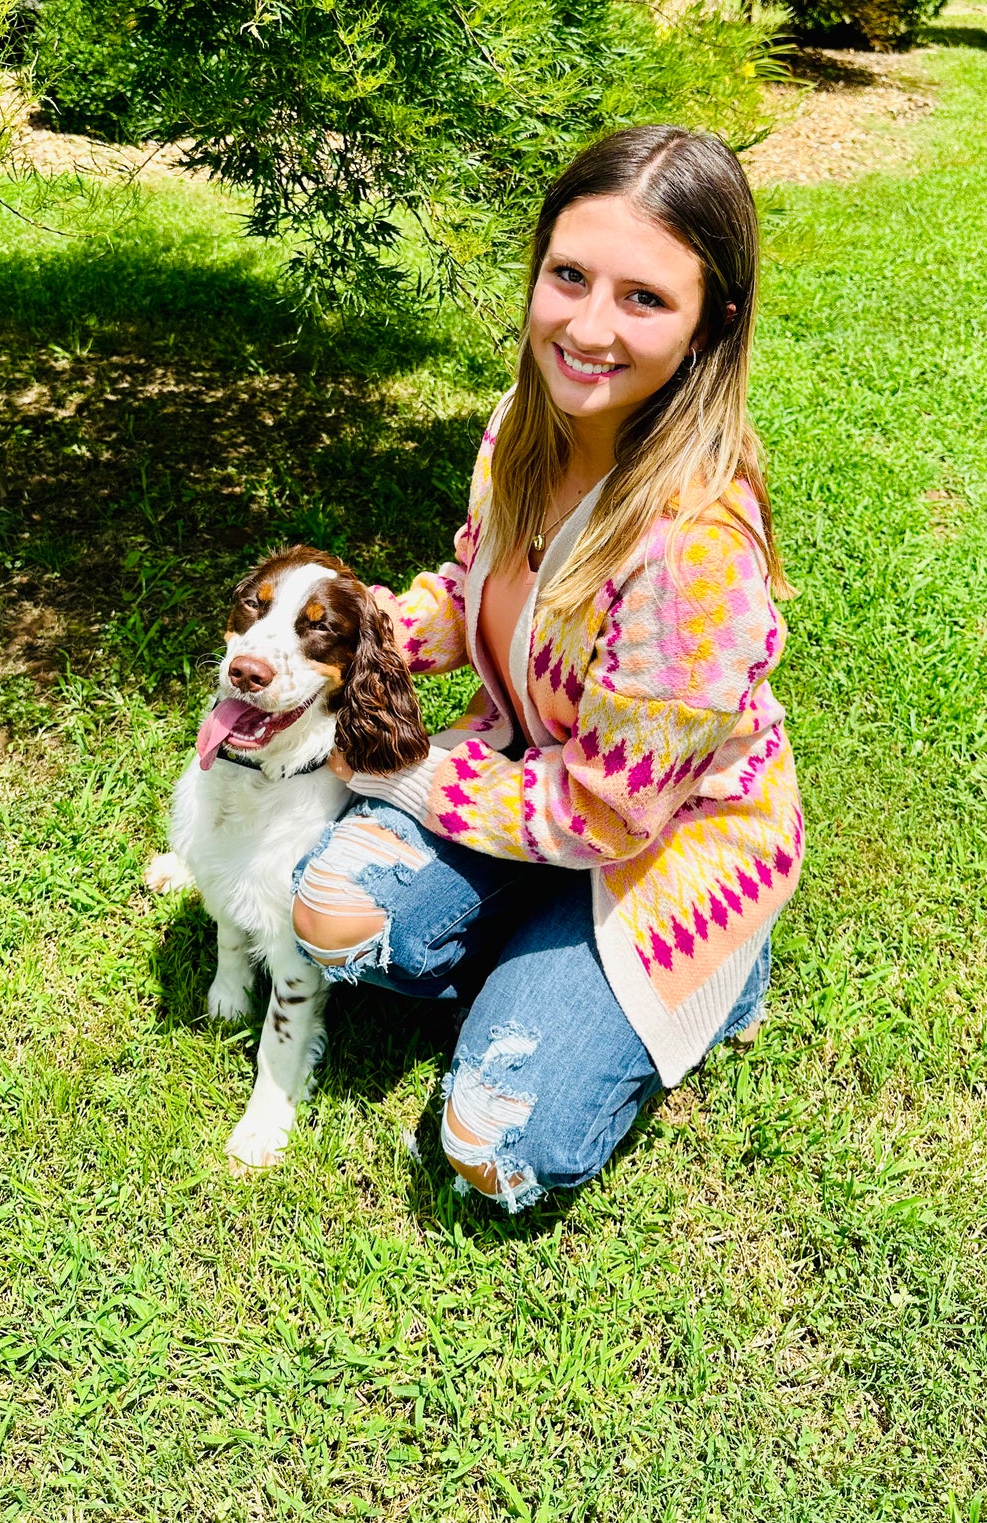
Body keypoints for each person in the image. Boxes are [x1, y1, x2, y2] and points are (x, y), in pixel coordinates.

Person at [291, 125, 804, 1211]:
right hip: (533, 776)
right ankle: (535, 947)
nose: (585, 327)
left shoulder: (695, 546)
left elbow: (610, 818)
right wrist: (360, 629)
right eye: (568, 276)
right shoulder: (521, 426)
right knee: (331, 911)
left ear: (712, 318)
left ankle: (718, 971)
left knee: (495, 1144)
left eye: (642, 298)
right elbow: (475, 589)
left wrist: (407, 773)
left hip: (658, 840)